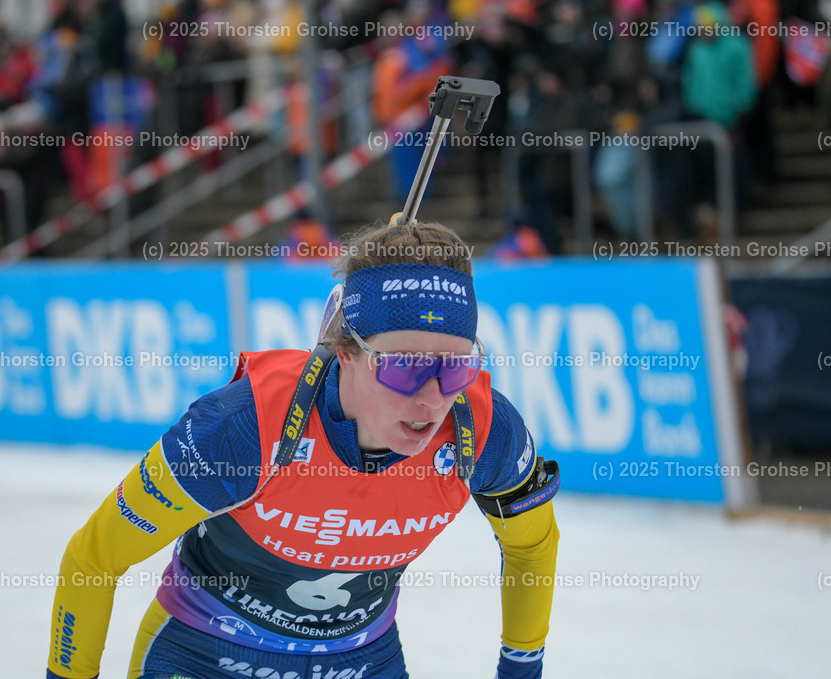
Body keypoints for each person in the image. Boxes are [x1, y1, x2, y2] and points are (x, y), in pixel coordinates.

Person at [45, 217, 561, 678]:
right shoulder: (243, 428)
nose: (433, 398)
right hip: (207, 656)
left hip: (361, 662)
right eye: (404, 365)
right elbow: (94, 558)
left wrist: (521, 669)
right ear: (346, 352)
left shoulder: (484, 429)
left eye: (454, 366)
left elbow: (531, 546)